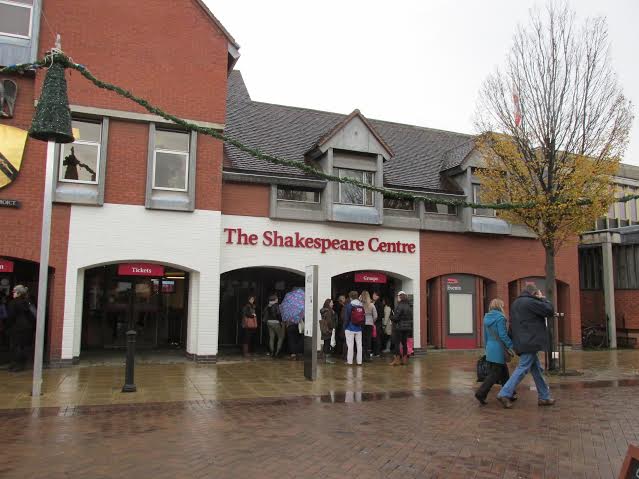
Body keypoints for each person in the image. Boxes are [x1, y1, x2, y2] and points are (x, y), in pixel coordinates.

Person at [496, 285, 555, 408]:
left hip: (521, 341)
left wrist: (512, 342)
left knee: (537, 370)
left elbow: (512, 324)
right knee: (523, 368)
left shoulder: (515, 304)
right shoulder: (531, 302)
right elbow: (549, 310)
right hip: (530, 341)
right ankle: (504, 393)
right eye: (538, 293)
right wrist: (543, 299)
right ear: (534, 293)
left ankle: (544, 397)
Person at [475, 299, 515, 405]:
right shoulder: (501, 318)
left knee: (504, 372)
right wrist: (511, 346)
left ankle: (510, 393)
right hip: (499, 348)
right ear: (500, 306)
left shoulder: (486, 317)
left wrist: (486, 348)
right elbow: (503, 335)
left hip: (490, 347)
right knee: (494, 374)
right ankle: (480, 393)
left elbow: (485, 336)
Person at [6, 285, 35, 372]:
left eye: (14, 292)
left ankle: (15, 365)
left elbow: (11, 317)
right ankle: (22, 364)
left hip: (16, 327)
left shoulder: (13, 303)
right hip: (27, 327)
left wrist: (7, 327)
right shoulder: (28, 302)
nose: (13, 293)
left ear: (19, 293)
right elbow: (33, 315)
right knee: (23, 346)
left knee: (15, 346)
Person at [390, 291, 412, 366]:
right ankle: (404, 359)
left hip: (399, 327)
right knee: (404, 343)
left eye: (398, 296)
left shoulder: (399, 306)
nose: (397, 298)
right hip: (407, 327)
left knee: (397, 343)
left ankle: (397, 360)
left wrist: (391, 317)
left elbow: (396, 317)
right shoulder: (408, 305)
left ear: (400, 297)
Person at [343, 290, 364, 365]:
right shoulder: (361, 305)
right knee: (359, 345)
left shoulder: (349, 305)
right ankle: (359, 361)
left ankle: (350, 361)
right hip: (359, 328)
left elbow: (346, 318)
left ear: (350, 297)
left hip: (350, 328)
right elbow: (363, 317)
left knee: (350, 345)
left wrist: (344, 327)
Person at [263, 294, 284, 358]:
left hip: (269, 322)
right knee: (280, 337)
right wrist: (281, 321)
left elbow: (264, 313)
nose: (277, 299)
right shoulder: (276, 305)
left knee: (271, 337)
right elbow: (278, 314)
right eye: (276, 298)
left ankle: (272, 352)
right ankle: (277, 352)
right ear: (274, 299)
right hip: (275, 322)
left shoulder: (268, 306)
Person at [360, 291, 377, 362]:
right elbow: (375, 316)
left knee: (362, 340)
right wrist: (372, 321)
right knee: (369, 340)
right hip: (369, 323)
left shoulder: (360, 305)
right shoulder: (371, 305)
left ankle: (362, 356)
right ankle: (368, 356)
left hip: (362, 323)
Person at [319, 298, 336, 364]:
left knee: (326, 342)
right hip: (328, 329)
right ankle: (327, 359)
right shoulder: (329, 311)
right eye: (331, 303)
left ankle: (324, 358)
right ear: (328, 303)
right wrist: (332, 327)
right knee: (328, 343)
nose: (333, 304)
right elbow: (329, 321)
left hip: (324, 329)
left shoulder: (324, 310)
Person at [372, 291, 384, 357]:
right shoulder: (374, 303)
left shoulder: (379, 304)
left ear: (378, 296)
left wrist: (375, 319)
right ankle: (375, 352)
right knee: (375, 337)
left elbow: (381, 315)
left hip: (377, 323)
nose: (373, 296)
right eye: (373, 294)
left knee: (377, 337)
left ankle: (377, 352)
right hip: (375, 322)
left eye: (375, 295)